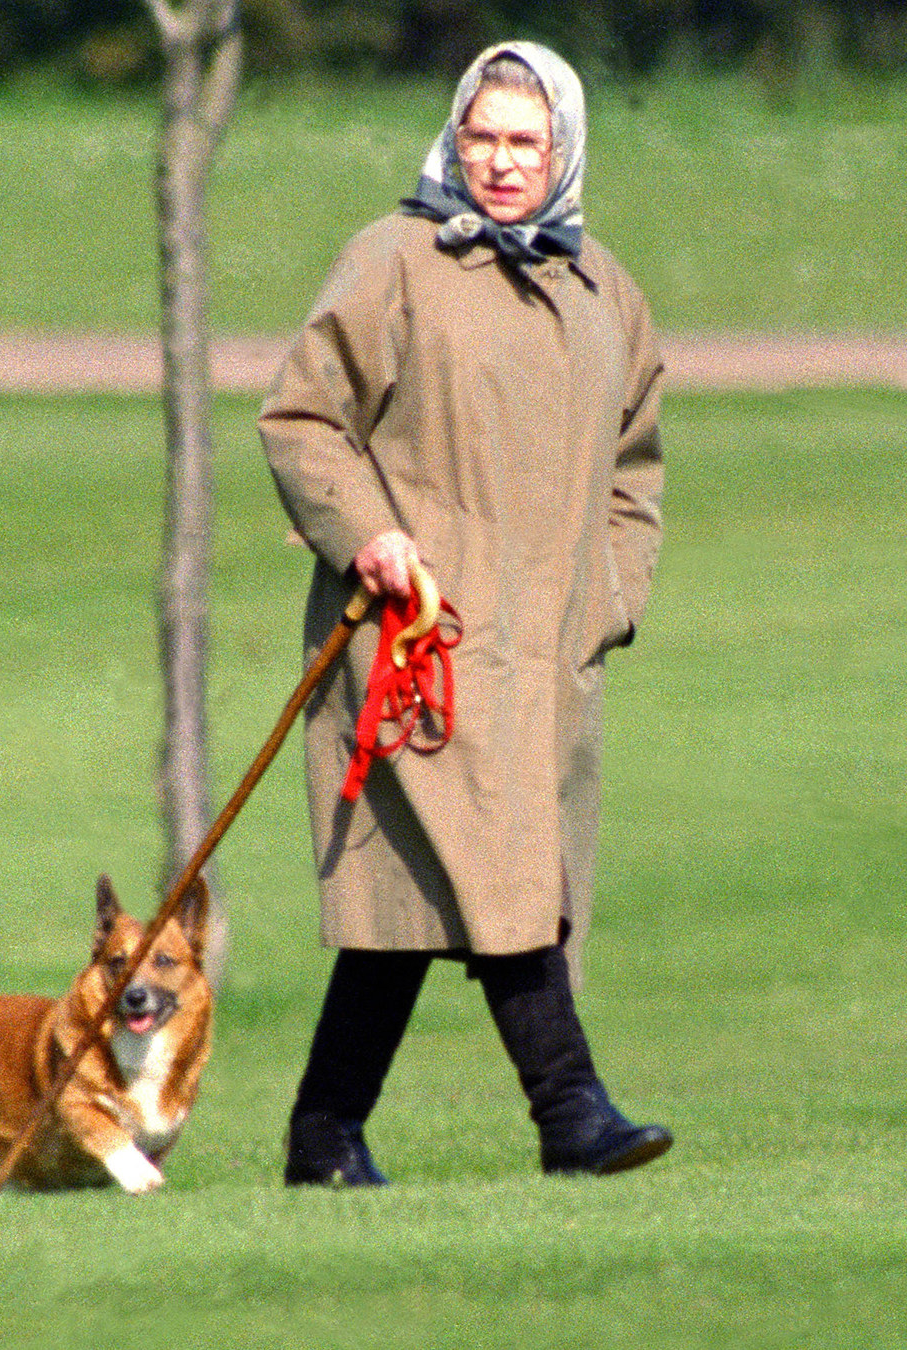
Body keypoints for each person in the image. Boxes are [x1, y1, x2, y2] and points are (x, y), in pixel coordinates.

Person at [257, 41, 671, 1185]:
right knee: (502, 877)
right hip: (410, 648)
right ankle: (569, 1115)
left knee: (421, 904)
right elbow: (300, 419)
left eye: (523, 142)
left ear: (562, 151)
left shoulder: (606, 295)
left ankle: (322, 1136)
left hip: (546, 659)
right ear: (452, 135)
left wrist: (611, 600)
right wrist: (366, 535)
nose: (498, 162)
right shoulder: (390, 260)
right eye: (480, 136)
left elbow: (634, 471)